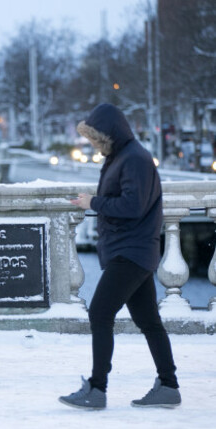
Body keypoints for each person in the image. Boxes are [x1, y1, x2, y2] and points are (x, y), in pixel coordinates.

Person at [59, 103, 181, 410]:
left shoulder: (135, 159)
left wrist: (93, 202)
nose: (94, 145)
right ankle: (168, 386)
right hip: (134, 250)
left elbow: (132, 207)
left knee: (100, 313)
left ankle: (97, 389)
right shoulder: (124, 156)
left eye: (97, 139)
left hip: (131, 252)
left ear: (110, 134)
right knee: (149, 321)